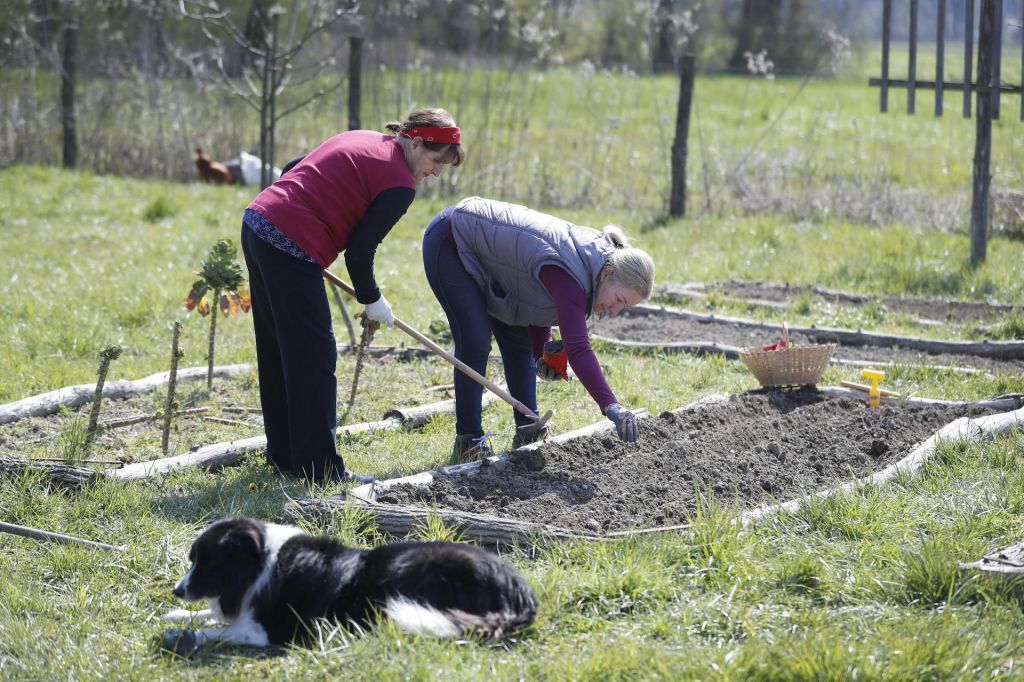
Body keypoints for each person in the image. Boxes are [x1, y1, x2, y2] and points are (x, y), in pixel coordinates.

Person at [241, 108, 464, 484]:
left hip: (258, 223)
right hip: (290, 246)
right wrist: (373, 300)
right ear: (415, 142)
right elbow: (360, 252)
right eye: (434, 160)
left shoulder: (365, 138)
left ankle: (283, 457)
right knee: (314, 358)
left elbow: (295, 166)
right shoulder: (399, 185)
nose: (436, 172)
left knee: (280, 350)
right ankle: (320, 470)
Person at [422, 196, 654, 462]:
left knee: (517, 342)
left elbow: (533, 296)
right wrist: (612, 407)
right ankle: (468, 439)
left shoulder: (598, 265)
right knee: (475, 340)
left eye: (623, 308)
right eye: (619, 300)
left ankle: (528, 429)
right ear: (607, 274)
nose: (614, 311)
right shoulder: (574, 277)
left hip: (496, 263)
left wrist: (539, 354)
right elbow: (578, 348)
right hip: (451, 239)